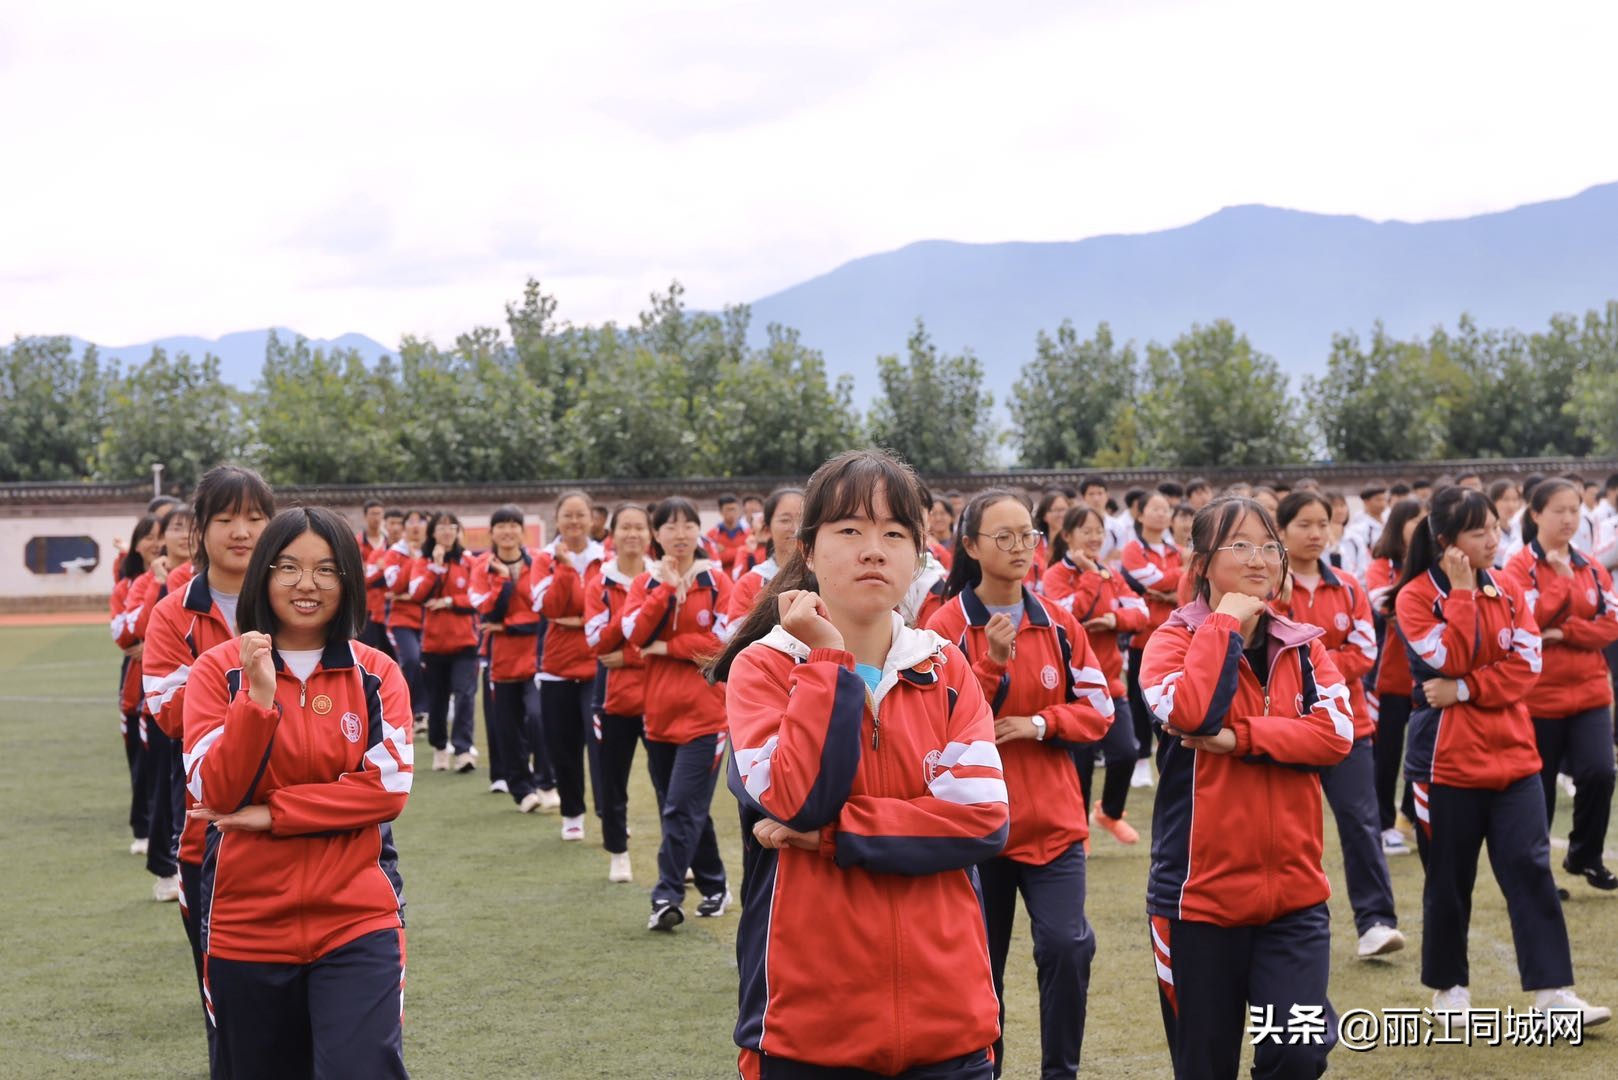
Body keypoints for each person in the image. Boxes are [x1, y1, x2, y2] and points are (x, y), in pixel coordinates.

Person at [712, 448, 1008, 1079]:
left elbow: (983, 820)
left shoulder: (947, 667)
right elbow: (799, 801)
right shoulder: (763, 668)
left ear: (919, 555)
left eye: (895, 534)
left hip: (949, 1022)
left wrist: (835, 835)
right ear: (808, 550)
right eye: (850, 530)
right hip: (809, 1030)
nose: (874, 550)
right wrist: (828, 662)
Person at [183, 506, 410, 1079]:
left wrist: (275, 813)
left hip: (356, 917)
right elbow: (215, 791)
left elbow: (387, 789)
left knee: (362, 1069)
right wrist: (256, 700)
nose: (306, 584)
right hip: (247, 924)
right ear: (263, 574)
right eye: (288, 567)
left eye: (326, 569)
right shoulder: (216, 672)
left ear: (348, 580)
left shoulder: (377, 672)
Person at [1139, 496, 1354, 1080]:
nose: (1258, 559)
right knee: (1205, 1065)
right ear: (1202, 563)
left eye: (1268, 547)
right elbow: (1193, 714)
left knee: (1298, 1053)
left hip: (1294, 901)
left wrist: (1244, 738)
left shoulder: (1303, 647)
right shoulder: (1170, 643)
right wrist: (1223, 624)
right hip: (1198, 903)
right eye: (1239, 545)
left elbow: (1336, 734)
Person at [1394, 485, 1608, 1024]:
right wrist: (1464, 595)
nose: (1494, 539)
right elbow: (1447, 657)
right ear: (1447, 542)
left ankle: (1554, 994)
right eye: (1479, 532)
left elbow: (1527, 665)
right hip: (1444, 765)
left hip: (1515, 759)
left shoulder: (1509, 585)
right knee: (1449, 881)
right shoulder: (1415, 597)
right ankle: (1449, 989)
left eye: (1495, 528)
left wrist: (1466, 688)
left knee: (1531, 871)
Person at [930, 490, 1111, 1079]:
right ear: (970, 546)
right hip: (975, 832)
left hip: (1053, 826)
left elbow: (1099, 711)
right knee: (981, 969)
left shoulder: (1058, 622)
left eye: (1027, 535)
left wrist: (1040, 724)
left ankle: (1061, 1072)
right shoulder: (945, 626)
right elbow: (936, 726)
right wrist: (992, 664)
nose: (1018, 547)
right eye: (1002, 537)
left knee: (1067, 947)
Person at [142, 464, 275, 1075]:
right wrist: (253, 690)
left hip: (298, 824)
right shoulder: (174, 613)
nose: (241, 531)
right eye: (225, 518)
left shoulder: (297, 600)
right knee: (226, 1010)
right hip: (209, 832)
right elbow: (170, 713)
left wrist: (221, 690)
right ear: (199, 529)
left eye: (254, 518)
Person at [1274, 492, 1405, 959]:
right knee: (1285, 832)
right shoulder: (1268, 589)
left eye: (1323, 524)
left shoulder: (1348, 586)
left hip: (1347, 728)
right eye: (1304, 524)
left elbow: (1365, 652)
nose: (1316, 533)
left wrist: (1307, 665)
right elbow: (1266, 654)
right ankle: (1285, 924)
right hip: (1286, 732)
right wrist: (1327, 660)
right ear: (1281, 530)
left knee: (1361, 824)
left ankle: (1376, 922)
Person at [1502, 478, 1618, 891]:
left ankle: (1584, 856)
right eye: (1559, 511)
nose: (1569, 519)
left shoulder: (1592, 566)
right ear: (1535, 515)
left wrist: (1566, 631)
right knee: (1538, 788)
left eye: (1575, 511)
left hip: (1590, 691)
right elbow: (1530, 623)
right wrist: (1564, 583)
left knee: (1600, 773)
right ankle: (1538, 873)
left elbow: (1610, 625)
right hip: (1539, 696)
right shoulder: (1518, 566)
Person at [624, 496, 733, 930]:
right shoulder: (646, 583)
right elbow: (635, 635)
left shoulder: (717, 580)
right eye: (670, 526)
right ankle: (716, 885)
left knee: (679, 809)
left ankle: (666, 896)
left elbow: (723, 644)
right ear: (657, 534)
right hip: (658, 717)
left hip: (706, 718)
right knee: (685, 808)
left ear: (699, 531)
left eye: (688, 525)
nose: (680, 533)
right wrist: (667, 591)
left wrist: (667, 646)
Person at [1043, 504, 1148, 845]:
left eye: (1099, 531)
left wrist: (1115, 619)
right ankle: (1080, 832)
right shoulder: (1055, 575)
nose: (1094, 537)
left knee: (1126, 752)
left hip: (1110, 682)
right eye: (1086, 531)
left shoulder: (1111, 574)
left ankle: (1109, 814)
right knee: (1081, 764)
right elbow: (1071, 614)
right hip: (1073, 688)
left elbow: (1141, 612)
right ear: (1067, 535)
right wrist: (1091, 575)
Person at [470, 505, 559, 813]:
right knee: (507, 728)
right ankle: (522, 790)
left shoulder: (539, 561)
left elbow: (543, 612)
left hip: (537, 657)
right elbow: (486, 612)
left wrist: (508, 625)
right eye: (501, 525)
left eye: (513, 525)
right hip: (501, 661)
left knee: (538, 718)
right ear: (492, 532)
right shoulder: (482, 567)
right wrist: (503, 581)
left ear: (522, 531)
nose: (507, 531)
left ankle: (547, 782)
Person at [531, 491, 607, 841]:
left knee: (601, 744)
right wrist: (563, 568)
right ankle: (572, 814)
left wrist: (577, 619)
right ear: (557, 519)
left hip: (598, 665)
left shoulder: (606, 557)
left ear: (592, 519)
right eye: (568, 515)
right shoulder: (544, 558)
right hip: (557, 668)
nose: (575, 522)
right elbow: (548, 607)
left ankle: (610, 814)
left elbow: (609, 609)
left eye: (581, 515)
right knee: (563, 746)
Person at [585, 503, 654, 883]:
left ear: (650, 534)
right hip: (613, 699)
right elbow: (597, 642)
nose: (633, 534)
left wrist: (627, 656)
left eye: (639, 527)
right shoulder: (600, 582)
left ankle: (682, 854)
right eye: (625, 527)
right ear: (612, 535)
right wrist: (631, 611)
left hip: (658, 695)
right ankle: (618, 852)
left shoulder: (662, 578)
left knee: (669, 785)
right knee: (613, 781)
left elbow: (673, 642)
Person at [1365, 498, 1427, 855]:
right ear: (1398, 524)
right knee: (1386, 755)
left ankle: (1411, 816)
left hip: (1428, 677)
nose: (1421, 525)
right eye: (1414, 519)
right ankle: (1384, 825)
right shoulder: (1381, 566)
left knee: (1423, 749)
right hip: (1389, 678)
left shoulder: (1434, 564)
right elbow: (1386, 605)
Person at [1121, 491, 1182, 788]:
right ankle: (1141, 759)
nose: (1161, 514)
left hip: (1176, 636)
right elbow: (1153, 581)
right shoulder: (1133, 549)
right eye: (1155, 509)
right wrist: (1178, 577)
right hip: (1143, 638)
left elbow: (1188, 585)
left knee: (1174, 698)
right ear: (1140, 514)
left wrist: (1169, 589)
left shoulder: (1177, 550)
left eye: (1166, 509)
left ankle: (1169, 757)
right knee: (1139, 701)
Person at [110, 514, 162, 856]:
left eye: (162, 535)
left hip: (173, 677)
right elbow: (124, 634)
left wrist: (154, 644)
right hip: (137, 680)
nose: (156, 543)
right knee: (141, 760)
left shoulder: (190, 579)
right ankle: (143, 827)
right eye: (149, 536)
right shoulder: (130, 585)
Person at [412, 511, 480, 774]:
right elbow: (418, 594)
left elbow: (477, 597)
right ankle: (440, 746)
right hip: (434, 644)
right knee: (438, 700)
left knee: (465, 696)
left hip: (465, 643)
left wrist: (449, 602)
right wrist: (436, 568)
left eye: (452, 526)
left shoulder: (468, 561)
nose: (447, 531)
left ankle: (463, 750)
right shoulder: (424, 562)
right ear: (432, 533)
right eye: (441, 527)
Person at [725, 488, 805, 632]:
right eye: (785, 520)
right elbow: (734, 635)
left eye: (802, 519)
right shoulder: (750, 583)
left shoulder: (825, 576)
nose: (795, 528)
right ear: (767, 529)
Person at [381, 509, 429, 730]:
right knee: (411, 659)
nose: (416, 526)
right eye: (411, 522)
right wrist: (413, 561)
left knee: (429, 665)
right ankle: (414, 709)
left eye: (421, 522)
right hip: (402, 619)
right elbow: (396, 585)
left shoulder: (434, 551)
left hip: (429, 618)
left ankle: (427, 710)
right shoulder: (395, 553)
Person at [1339, 485, 1388, 582]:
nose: (1382, 503)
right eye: (1378, 500)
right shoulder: (1359, 529)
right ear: (1366, 502)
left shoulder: (1389, 521)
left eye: (1384, 499)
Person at [705, 493, 753, 572]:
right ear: (721, 512)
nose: (731, 513)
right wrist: (742, 551)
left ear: (739, 510)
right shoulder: (712, 535)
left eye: (734, 509)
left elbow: (751, 557)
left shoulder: (749, 533)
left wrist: (726, 551)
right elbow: (711, 560)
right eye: (728, 509)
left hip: (743, 576)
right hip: (720, 577)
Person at [927, 494, 957, 569]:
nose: (938, 518)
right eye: (933, 514)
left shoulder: (959, 544)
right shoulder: (925, 545)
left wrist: (938, 548)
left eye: (942, 513)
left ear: (952, 517)